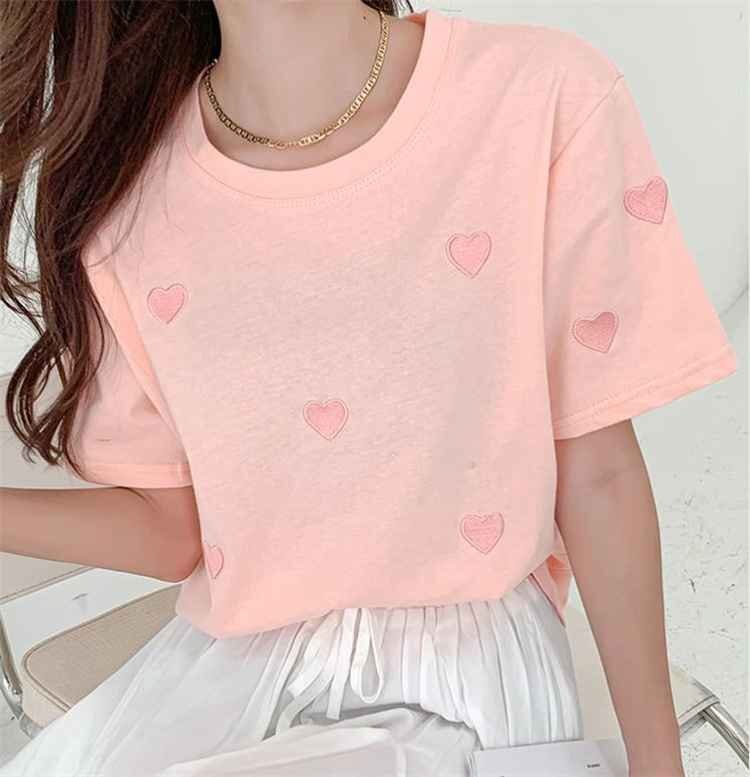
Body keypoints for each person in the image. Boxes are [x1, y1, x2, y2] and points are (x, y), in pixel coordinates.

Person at [0, 1, 738, 776]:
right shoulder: (129, 206)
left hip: (467, 678)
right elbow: (171, 531)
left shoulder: (538, 97)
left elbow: (599, 473)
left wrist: (659, 764)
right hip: (238, 675)